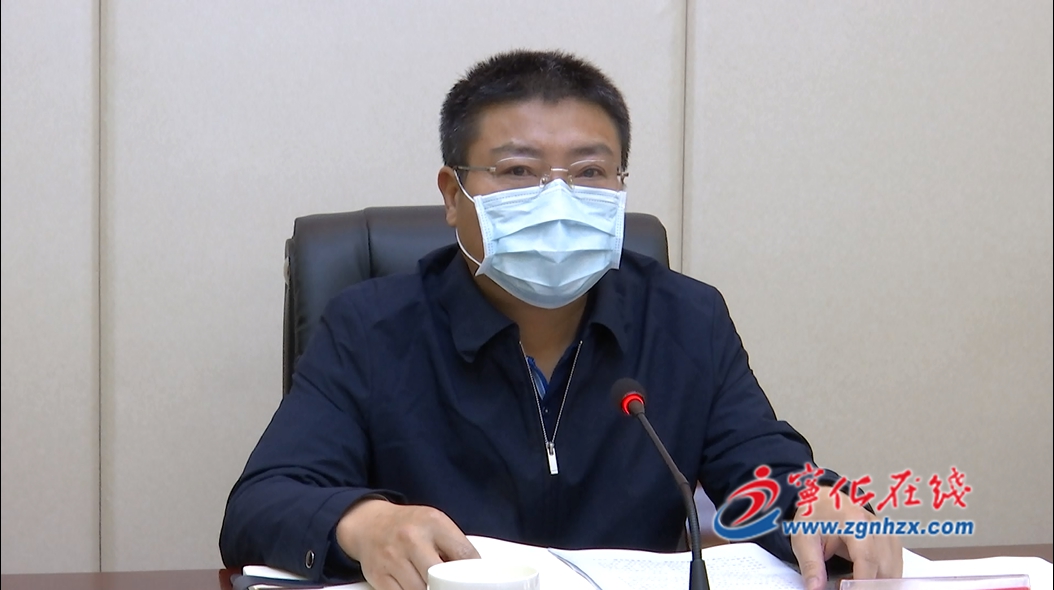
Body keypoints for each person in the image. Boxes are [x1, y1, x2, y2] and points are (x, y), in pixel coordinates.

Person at [219, 49, 902, 590]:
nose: (557, 200)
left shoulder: (686, 318)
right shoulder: (371, 327)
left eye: (589, 173)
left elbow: (767, 470)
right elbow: (262, 503)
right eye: (518, 171)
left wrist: (818, 501)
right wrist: (362, 523)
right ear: (453, 195)